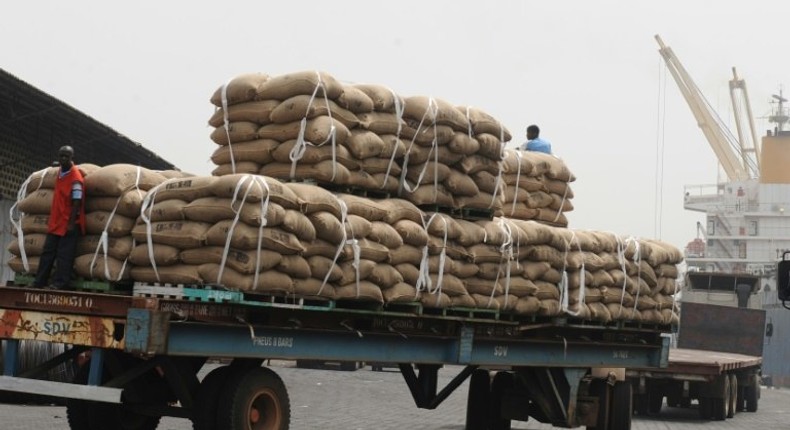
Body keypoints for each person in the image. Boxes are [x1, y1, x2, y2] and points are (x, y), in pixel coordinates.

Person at [33, 146, 86, 290]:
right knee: (47, 252)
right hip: (56, 221)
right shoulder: (61, 172)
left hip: (69, 222)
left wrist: (70, 223)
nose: (63, 159)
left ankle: (60, 283)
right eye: (61, 156)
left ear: (71, 158)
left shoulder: (75, 177)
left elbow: (77, 200)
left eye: (66, 157)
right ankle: (39, 281)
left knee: (64, 255)